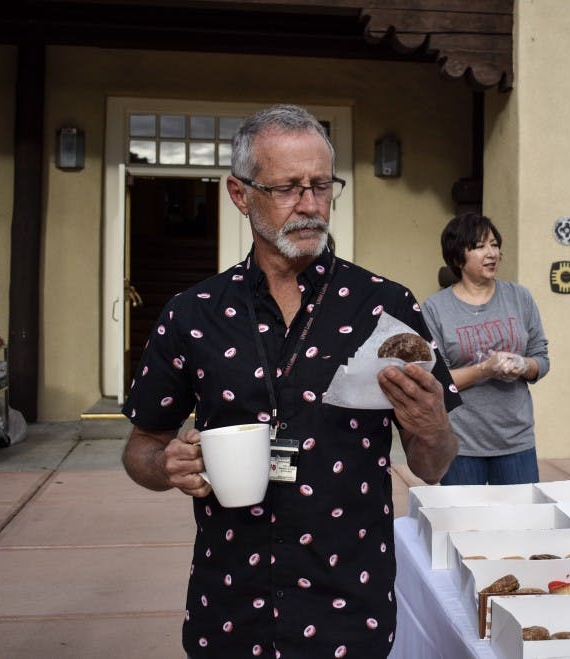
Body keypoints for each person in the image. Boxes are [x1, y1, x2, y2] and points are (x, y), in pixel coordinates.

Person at [120, 104, 461, 658]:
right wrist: (165, 467)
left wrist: (433, 426)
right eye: (286, 188)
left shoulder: (386, 309)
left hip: (349, 605)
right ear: (239, 194)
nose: (308, 205)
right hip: (228, 605)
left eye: (321, 186)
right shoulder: (193, 313)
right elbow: (142, 448)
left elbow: (433, 463)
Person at [421, 213, 550, 484]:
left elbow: (541, 357)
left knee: (521, 524)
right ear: (458, 258)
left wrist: (524, 365)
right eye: (479, 247)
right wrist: (484, 370)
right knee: (463, 524)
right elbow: (437, 380)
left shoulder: (519, 297)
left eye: (494, 244)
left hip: (516, 439)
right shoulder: (435, 308)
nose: (491, 253)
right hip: (461, 442)